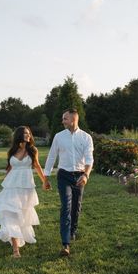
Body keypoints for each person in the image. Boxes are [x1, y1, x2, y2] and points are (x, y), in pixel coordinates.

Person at [0, 126, 51, 258]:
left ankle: (18, 236)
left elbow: (37, 166)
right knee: (10, 214)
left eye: (29, 133)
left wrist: (45, 181)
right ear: (19, 136)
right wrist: (5, 184)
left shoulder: (33, 150)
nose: (28, 135)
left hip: (26, 187)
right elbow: (9, 168)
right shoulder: (12, 151)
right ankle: (16, 250)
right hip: (11, 187)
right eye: (25, 133)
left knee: (22, 215)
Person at [44, 108, 94, 256]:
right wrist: (46, 177)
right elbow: (52, 156)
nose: (62, 121)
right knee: (66, 206)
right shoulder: (59, 137)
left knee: (76, 206)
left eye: (65, 118)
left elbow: (89, 159)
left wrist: (86, 175)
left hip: (79, 176)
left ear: (73, 119)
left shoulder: (86, 138)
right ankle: (65, 244)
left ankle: (73, 230)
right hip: (64, 175)